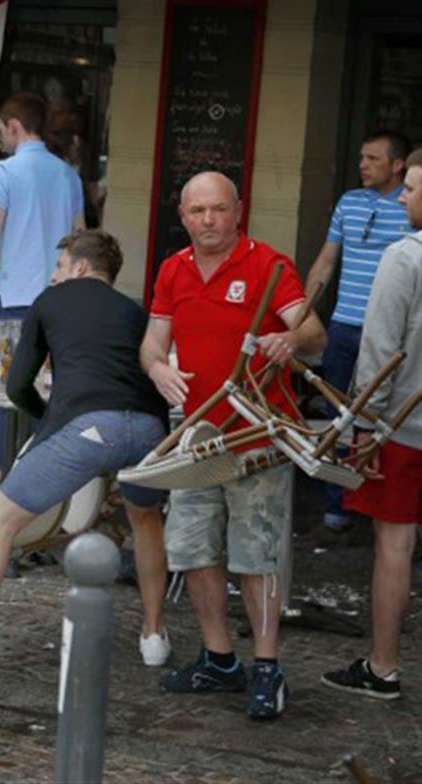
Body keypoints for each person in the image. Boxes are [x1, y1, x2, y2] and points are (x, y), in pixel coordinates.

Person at [0, 229, 173, 674]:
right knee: (146, 521)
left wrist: (46, 420)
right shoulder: (136, 312)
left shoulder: (50, 302)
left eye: (59, 266)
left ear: (80, 268)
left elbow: (17, 385)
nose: (53, 277)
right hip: (149, 429)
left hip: (89, 425)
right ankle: (153, 635)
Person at [140, 171, 327, 720]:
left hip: (259, 434)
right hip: (198, 436)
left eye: (218, 210)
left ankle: (267, 666)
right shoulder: (173, 270)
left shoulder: (268, 264)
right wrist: (156, 370)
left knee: (256, 555)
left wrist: (289, 338)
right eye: (197, 211)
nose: (208, 221)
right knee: (193, 548)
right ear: (182, 215)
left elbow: (314, 332)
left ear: (238, 210)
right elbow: (153, 341)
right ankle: (220, 659)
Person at [322, 147, 422, 700]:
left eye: (410, 189)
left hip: (403, 429)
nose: (403, 198)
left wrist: (362, 425)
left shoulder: (404, 258)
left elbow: (381, 352)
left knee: (394, 547)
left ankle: (383, 666)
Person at [0, 92, 85, 472]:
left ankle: (25, 477)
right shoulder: (68, 176)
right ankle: (44, 476)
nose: (2, 139)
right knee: (39, 392)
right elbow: (81, 241)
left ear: (14, 127)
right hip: (63, 302)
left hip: (14, 303)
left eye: (3, 131)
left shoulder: (3, 172)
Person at [304, 130, 411, 532]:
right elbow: (326, 262)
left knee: (383, 418)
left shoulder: (411, 206)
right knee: (339, 416)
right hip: (344, 327)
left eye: (372, 159)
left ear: (397, 165)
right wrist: (302, 318)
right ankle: (339, 504)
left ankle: (379, 503)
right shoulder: (349, 202)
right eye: (362, 157)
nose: (362, 165)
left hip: (389, 333)